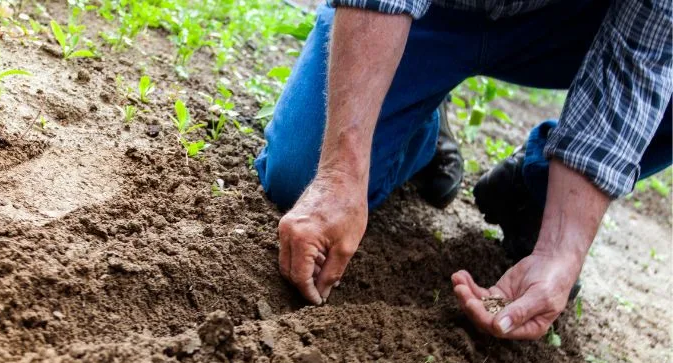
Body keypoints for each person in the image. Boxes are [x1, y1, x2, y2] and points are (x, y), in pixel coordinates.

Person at [254, 0, 672, 340]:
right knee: (300, 175)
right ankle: (421, 125)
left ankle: (536, 192)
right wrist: (340, 175)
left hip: (567, 24)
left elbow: (643, 59)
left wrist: (561, 249)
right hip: (432, 12)